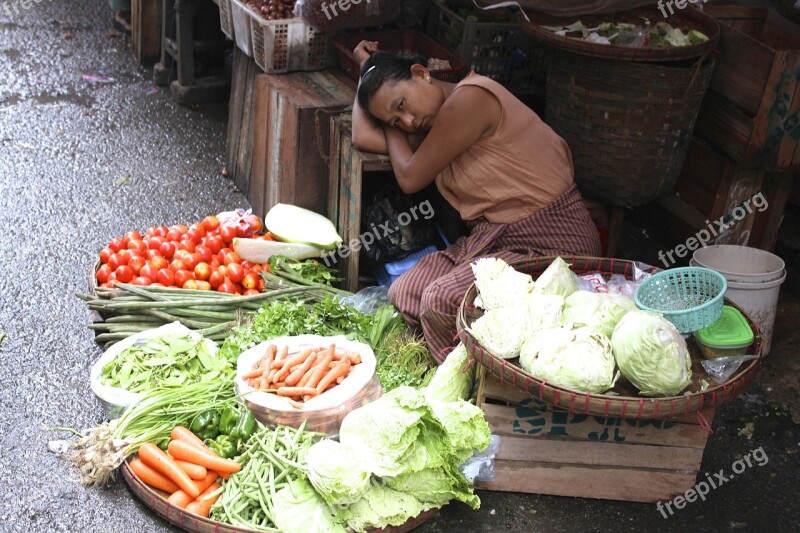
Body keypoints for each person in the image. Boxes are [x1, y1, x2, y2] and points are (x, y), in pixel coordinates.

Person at [351, 41, 602, 363]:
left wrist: (389, 121)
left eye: (402, 104)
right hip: (497, 240)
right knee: (406, 291)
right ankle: (459, 363)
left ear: (421, 73)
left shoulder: (470, 100)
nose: (409, 121)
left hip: (553, 241)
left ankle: (472, 381)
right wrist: (367, 74)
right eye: (397, 121)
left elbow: (410, 178)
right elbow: (362, 137)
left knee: (440, 299)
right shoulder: (437, 122)